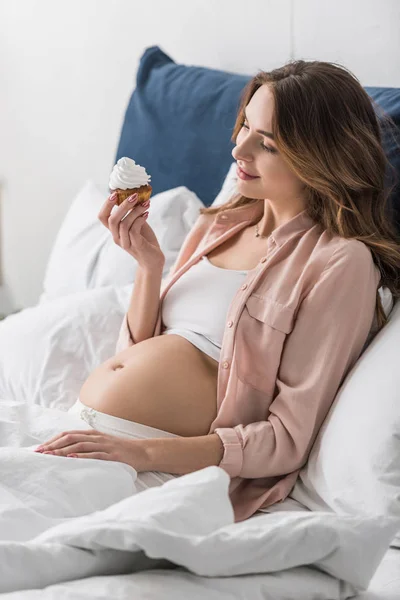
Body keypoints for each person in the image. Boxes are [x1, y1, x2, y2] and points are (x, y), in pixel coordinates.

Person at [35, 60, 400, 523]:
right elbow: (141, 353)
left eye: (265, 143)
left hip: (162, 468)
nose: (238, 150)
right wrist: (150, 268)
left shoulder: (340, 262)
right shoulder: (219, 222)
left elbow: (286, 439)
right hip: (86, 431)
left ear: (320, 156)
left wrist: (143, 453)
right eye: (245, 125)